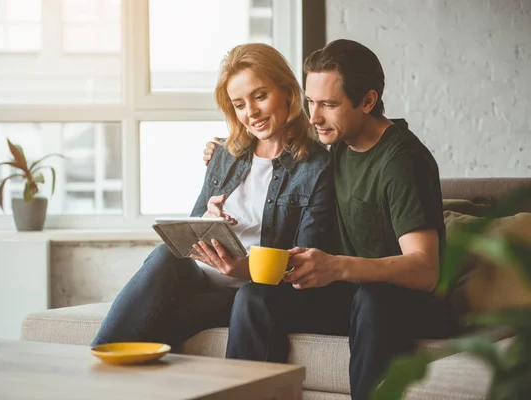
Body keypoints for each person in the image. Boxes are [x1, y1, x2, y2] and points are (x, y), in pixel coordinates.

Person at [203, 39, 458, 400]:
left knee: (372, 299)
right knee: (254, 297)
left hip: (404, 301)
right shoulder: (337, 143)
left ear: (368, 101)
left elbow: (425, 269)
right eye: (310, 101)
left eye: (328, 104)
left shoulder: (403, 160)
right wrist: (225, 153)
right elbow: (282, 142)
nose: (314, 116)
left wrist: (338, 267)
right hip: (349, 294)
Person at [91, 43, 338, 350]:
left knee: (161, 322)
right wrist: (208, 219)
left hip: (251, 290)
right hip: (203, 278)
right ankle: (97, 357)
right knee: (164, 255)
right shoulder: (224, 154)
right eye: (239, 104)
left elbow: (305, 260)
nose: (251, 113)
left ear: (288, 93)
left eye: (260, 96)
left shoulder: (317, 167)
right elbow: (189, 233)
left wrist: (243, 268)